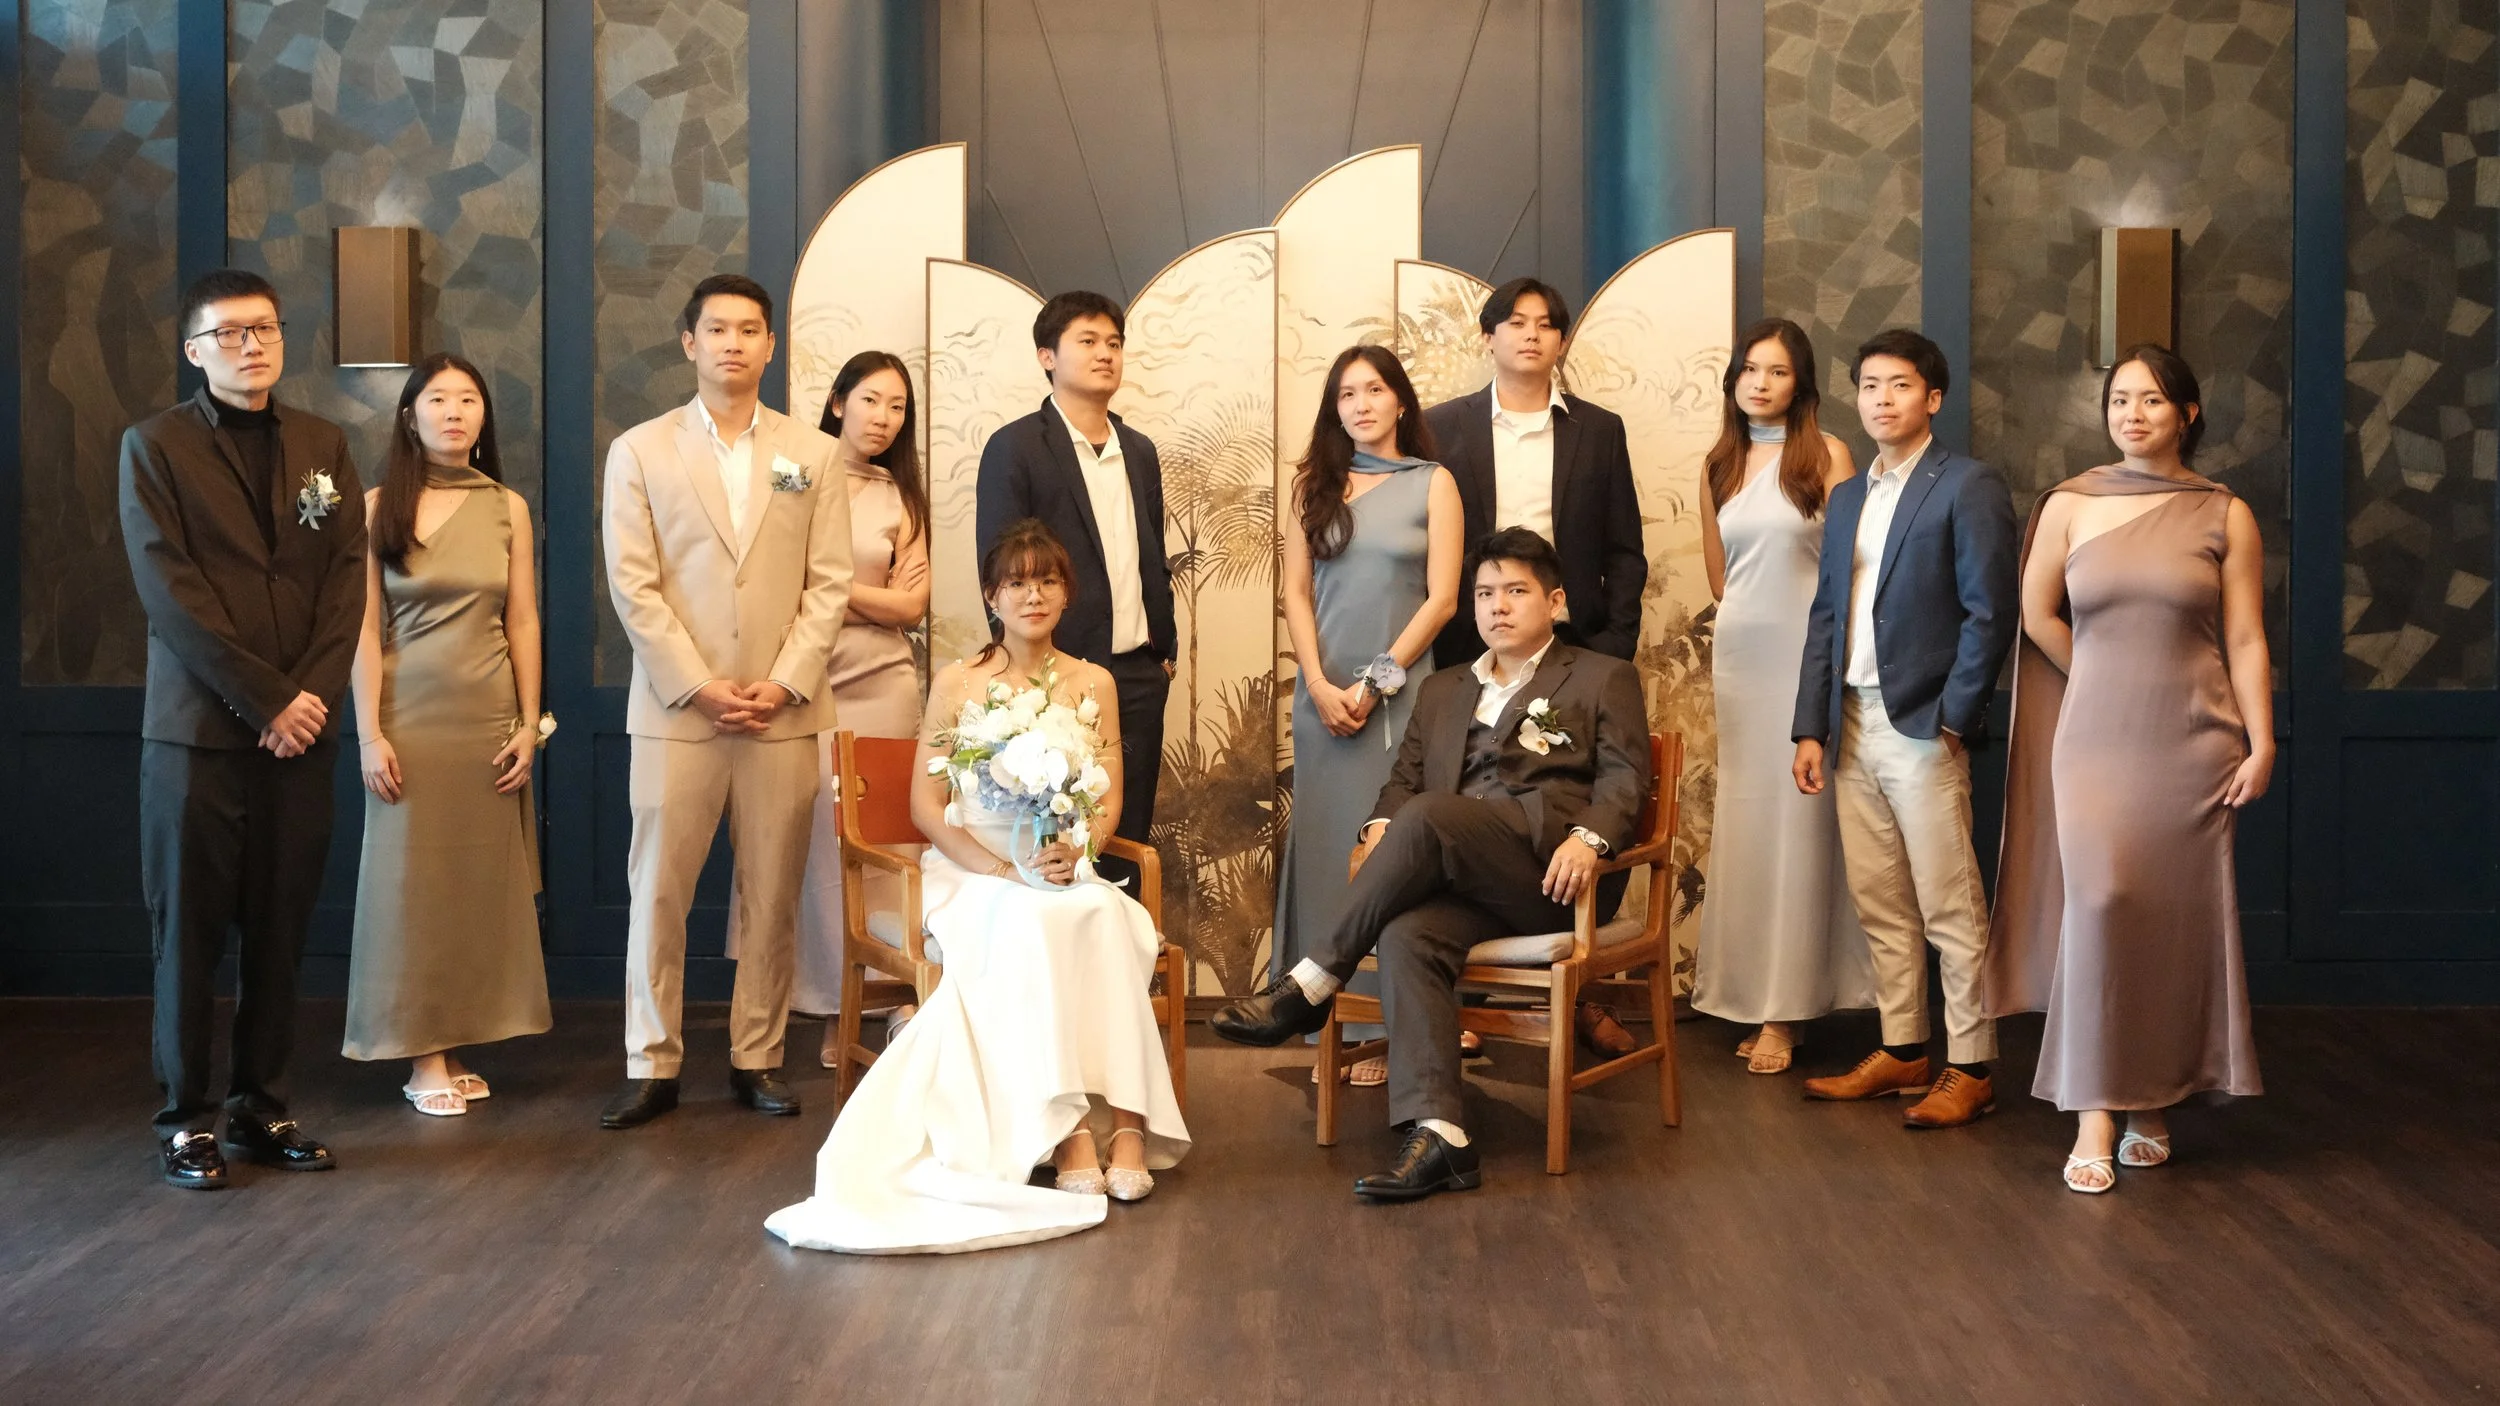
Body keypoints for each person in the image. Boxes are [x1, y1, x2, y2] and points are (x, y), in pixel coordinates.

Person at [765, 520, 1189, 1255]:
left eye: (1049, 581)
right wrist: (1001, 870)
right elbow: (930, 808)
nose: (1035, 595)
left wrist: (1073, 850)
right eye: (1018, 582)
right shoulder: (960, 682)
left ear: (1067, 594)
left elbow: (1109, 796)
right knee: (1031, 927)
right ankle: (1068, 1138)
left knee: (1107, 919)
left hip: (1060, 864)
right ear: (993, 596)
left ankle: (1129, 1122)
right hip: (973, 872)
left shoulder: (1095, 682)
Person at [1209, 528, 1652, 1201]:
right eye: (1483, 593)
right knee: (1407, 931)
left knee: (1430, 815)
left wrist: (1589, 839)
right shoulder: (1443, 689)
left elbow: (1625, 780)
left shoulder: (1600, 676)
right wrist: (1380, 827)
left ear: (1556, 601)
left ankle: (1309, 985)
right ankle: (1444, 1137)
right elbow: (1401, 784)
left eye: (1515, 591)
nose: (1496, 606)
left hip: (1546, 876)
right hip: (1459, 874)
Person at [1983, 345, 2268, 1193]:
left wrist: (2263, 742)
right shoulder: (2069, 505)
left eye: (2150, 399)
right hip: (2097, 741)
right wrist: (2097, 675)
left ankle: (2154, 1100)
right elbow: (2035, 612)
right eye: (2118, 399)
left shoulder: (2225, 514)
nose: (2132, 413)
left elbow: (2246, 639)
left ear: (2186, 412)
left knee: (2173, 924)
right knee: (2103, 906)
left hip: (2195, 742)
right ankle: (2095, 1108)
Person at [119, 268, 366, 1188]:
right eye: (228, 335)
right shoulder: (153, 447)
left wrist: (309, 700)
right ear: (195, 352)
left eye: (263, 329)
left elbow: (346, 584)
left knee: (279, 930)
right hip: (197, 740)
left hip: (302, 738)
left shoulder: (324, 444)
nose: (251, 346)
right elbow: (169, 593)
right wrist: (267, 699)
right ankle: (183, 1119)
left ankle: (260, 1108)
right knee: (188, 933)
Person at [599, 273, 852, 1130]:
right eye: (718, 329)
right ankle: (651, 1061)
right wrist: (702, 686)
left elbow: (830, 584)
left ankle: (757, 1054)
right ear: (689, 342)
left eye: (750, 329)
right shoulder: (640, 450)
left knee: (772, 891)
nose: (734, 343)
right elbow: (634, 588)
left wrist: (782, 682)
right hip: (677, 711)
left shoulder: (812, 454)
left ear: (771, 346)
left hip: (783, 711)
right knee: (658, 893)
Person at [1790, 328, 2018, 1129]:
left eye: (1899, 385)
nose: (1882, 399)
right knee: (1880, 902)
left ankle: (1972, 1063)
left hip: (1923, 723)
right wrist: (1809, 726)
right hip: (1847, 719)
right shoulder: (1849, 494)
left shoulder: (1967, 484)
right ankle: (1902, 1049)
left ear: (1933, 398)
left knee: (1949, 902)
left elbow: (1992, 610)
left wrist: (1957, 717)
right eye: (1870, 385)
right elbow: (1827, 614)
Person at [1422, 276, 1649, 1056]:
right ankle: (1460, 1003)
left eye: (1545, 325)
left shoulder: (1599, 430)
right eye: (1513, 324)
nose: (1529, 335)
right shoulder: (1440, 427)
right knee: (1474, 811)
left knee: (1564, 808)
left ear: (1560, 342)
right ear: (1487, 337)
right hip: (1469, 657)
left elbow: (1625, 551)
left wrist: (1607, 655)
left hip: (1572, 658)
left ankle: (1577, 994)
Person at [342, 354, 552, 1115]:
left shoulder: (507, 507)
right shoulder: (375, 506)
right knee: (413, 891)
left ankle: (453, 1045)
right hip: (408, 719)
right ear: (410, 415)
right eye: (438, 398)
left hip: (487, 720)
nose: (455, 411)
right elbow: (363, 627)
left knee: (471, 890)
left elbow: (521, 619)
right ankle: (421, 1055)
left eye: (469, 399)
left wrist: (529, 726)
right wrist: (369, 733)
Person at [722, 351, 931, 1068]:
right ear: (838, 402)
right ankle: (820, 1006)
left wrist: (832, 588)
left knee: (888, 841)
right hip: (802, 678)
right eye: (871, 400)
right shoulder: (793, 470)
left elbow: (912, 607)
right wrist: (854, 595)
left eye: (897, 406)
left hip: (886, 682)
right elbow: (775, 573)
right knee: (809, 840)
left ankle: (895, 995)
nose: (883, 417)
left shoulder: (902, 494)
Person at [1690, 320, 1876, 1075]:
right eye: (1749, 369)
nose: (1760, 382)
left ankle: (1787, 1010)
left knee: (1802, 829)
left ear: (1801, 384)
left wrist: (1822, 659)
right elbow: (1718, 579)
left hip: (1809, 657)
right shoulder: (1718, 463)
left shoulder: (1827, 455)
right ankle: (1750, 989)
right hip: (1741, 658)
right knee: (1750, 826)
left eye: (1777, 371)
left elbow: (1848, 572)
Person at [1275, 346, 1463, 1088]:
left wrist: (1375, 684)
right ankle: (1331, 1024)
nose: (1360, 404)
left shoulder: (1434, 484)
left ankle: (1389, 1032)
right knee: (1328, 851)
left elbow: (1443, 600)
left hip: (1399, 702)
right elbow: (1294, 593)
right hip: (1322, 702)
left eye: (1374, 389)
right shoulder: (1309, 488)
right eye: (1346, 393)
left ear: (1401, 402)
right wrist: (1319, 683)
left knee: (1389, 861)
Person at [975, 291, 1175, 870]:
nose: (1105, 354)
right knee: (1051, 834)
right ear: (1047, 356)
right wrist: (1019, 669)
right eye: (1087, 342)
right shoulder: (1015, 447)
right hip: (1053, 675)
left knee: (1126, 833)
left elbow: (1152, 555)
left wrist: (1164, 653)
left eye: (1114, 343)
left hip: (1138, 673)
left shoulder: (1137, 450)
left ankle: (1123, 955)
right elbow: (1000, 567)